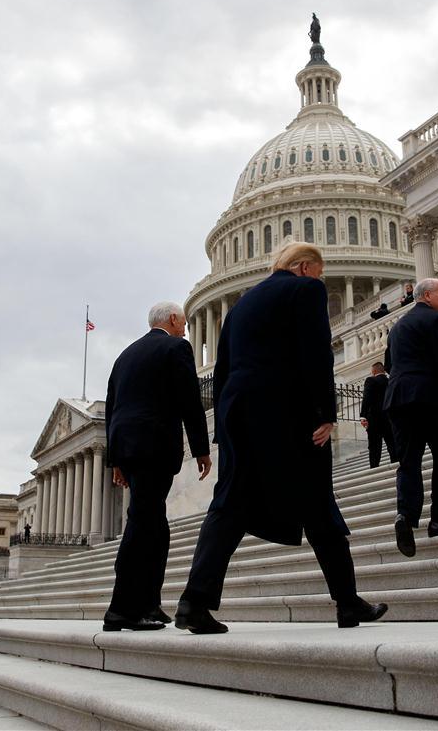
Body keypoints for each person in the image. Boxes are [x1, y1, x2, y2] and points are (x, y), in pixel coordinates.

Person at [176, 243, 387, 633]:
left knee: (230, 504)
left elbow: (222, 369)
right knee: (319, 504)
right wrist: (326, 412)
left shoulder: (241, 305)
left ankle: (194, 602)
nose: (320, 279)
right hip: (287, 413)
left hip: (238, 413)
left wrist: (225, 426)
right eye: (319, 273)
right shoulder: (305, 289)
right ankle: (347, 601)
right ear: (304, 267)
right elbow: (316, 352)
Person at [103, 302, 211, 632]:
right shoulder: (176, 347)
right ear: (173, 319)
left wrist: (116, 459)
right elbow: (189, 400)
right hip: (154, 446)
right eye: (184, 323)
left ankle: (150, 602)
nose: (186, 330)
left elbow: (112, 408)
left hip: (129, 446)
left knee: (155, 524)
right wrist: (201, 449)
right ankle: (121, 609)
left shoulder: (125, 355)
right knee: (142, 522)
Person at [384, 278, 438, 557]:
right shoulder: (436, 319)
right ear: (426, 296)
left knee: (408, 462)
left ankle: (405, 516)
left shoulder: (397, 326)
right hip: (429, 397)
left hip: (398, 399)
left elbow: (389, 364)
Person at [360, 362, 397, 468]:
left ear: (373, 371)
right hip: (389, 417)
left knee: (374, 446)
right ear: (383, 371)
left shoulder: (370, 380)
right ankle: (395, 463)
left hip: (374, 418)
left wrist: (363, 416)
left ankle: (374, 466)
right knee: (392, 443)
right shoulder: (391, 381)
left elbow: (367, 398)